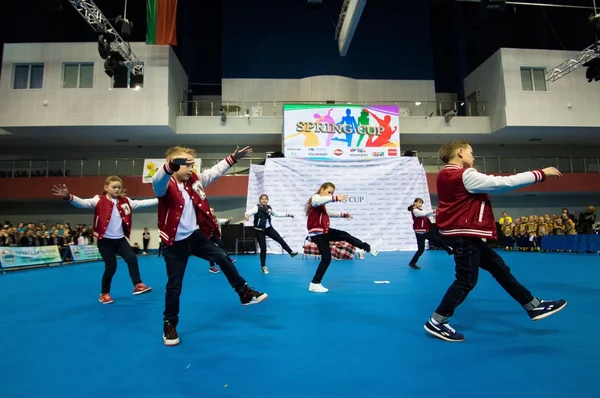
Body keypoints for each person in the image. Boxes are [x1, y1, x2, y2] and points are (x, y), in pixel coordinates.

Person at [424, 141, 567, 342]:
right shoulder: (465, 175)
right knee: (466, 280)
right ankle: (437, 321)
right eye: (471, 152)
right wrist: (540, 173)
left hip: (463, 234)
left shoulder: (444, 175)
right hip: (464, 235)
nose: (474, 157)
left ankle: (532, 305)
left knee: (499, 268)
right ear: (460, 152)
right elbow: (502, 183)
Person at [152, 145, 267, 346]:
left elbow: (214, 172)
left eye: (192, 164)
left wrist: (233, 158)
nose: (190, 168)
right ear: (174, 164)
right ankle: (169, 324)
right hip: (174, 242)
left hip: (195, 236)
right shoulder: (165, 185)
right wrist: (170, 166)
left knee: (222, 256)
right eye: (186, 164)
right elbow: (157, 180)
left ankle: (244, 293)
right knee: (174, 286)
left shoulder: (195, 181)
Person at [52, 176, 157, 304]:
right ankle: (104, 293)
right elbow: (82, 203)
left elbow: (144, 203)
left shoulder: (126, 201)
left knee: (132, 258)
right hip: (105, 241)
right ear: (106, 188)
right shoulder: (98, 200)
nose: (117, 189)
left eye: (119, 187)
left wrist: (161, 200)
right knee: (111, 267)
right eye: (114, 187)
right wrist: (68, 196)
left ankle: (138, 285)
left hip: (120, 240)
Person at [305, 182, 382, 293]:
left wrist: (342, 214)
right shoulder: (315, 198)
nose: (330, 194)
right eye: (329, 192)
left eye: (332, 193)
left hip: (324, 232)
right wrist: (335, 198)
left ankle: (369, 248)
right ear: (321, 190)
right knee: (326, 259)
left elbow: (328, 213)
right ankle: (315, 283)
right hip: (318, 234)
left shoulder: (322, 205)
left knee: (344, 235)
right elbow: (318, 201)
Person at [244, 194, 298, 274]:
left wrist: (288, 215)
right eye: (262, 199)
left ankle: (290, 252)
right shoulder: (257, 208)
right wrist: (246, 216)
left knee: (279, 239)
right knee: (263, 248)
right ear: (260, 200)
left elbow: (277, 214)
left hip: (269, 229)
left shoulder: (269, 208)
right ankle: (263, 266)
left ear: (268, 200)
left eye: (266, 199)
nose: (264, 200)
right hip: (259, 230)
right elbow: (248, 213)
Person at [407, 197, 453, 269]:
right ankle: (412, 263)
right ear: (415, 202)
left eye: (421, 203)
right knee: (421, 250)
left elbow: (429, 214)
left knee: (439, 240)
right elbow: (423, 214)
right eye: (419, 202)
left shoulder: (421, 210)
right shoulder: (415, 211)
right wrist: (434, 211)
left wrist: (440, 213)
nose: (420, 204)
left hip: (427, 231)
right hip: (420, 233)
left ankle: (449, 251)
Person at [207, 207, 234, 274]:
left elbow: (221, 220)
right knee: (211, 252)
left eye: (213, 211)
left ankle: (227, 258)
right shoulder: (205, 219)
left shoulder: (215, 219)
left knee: (222, 245)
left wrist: (227, 220)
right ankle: (212, 267)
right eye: (210, 211)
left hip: (215, 236)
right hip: (208, 236)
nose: (211, 212)